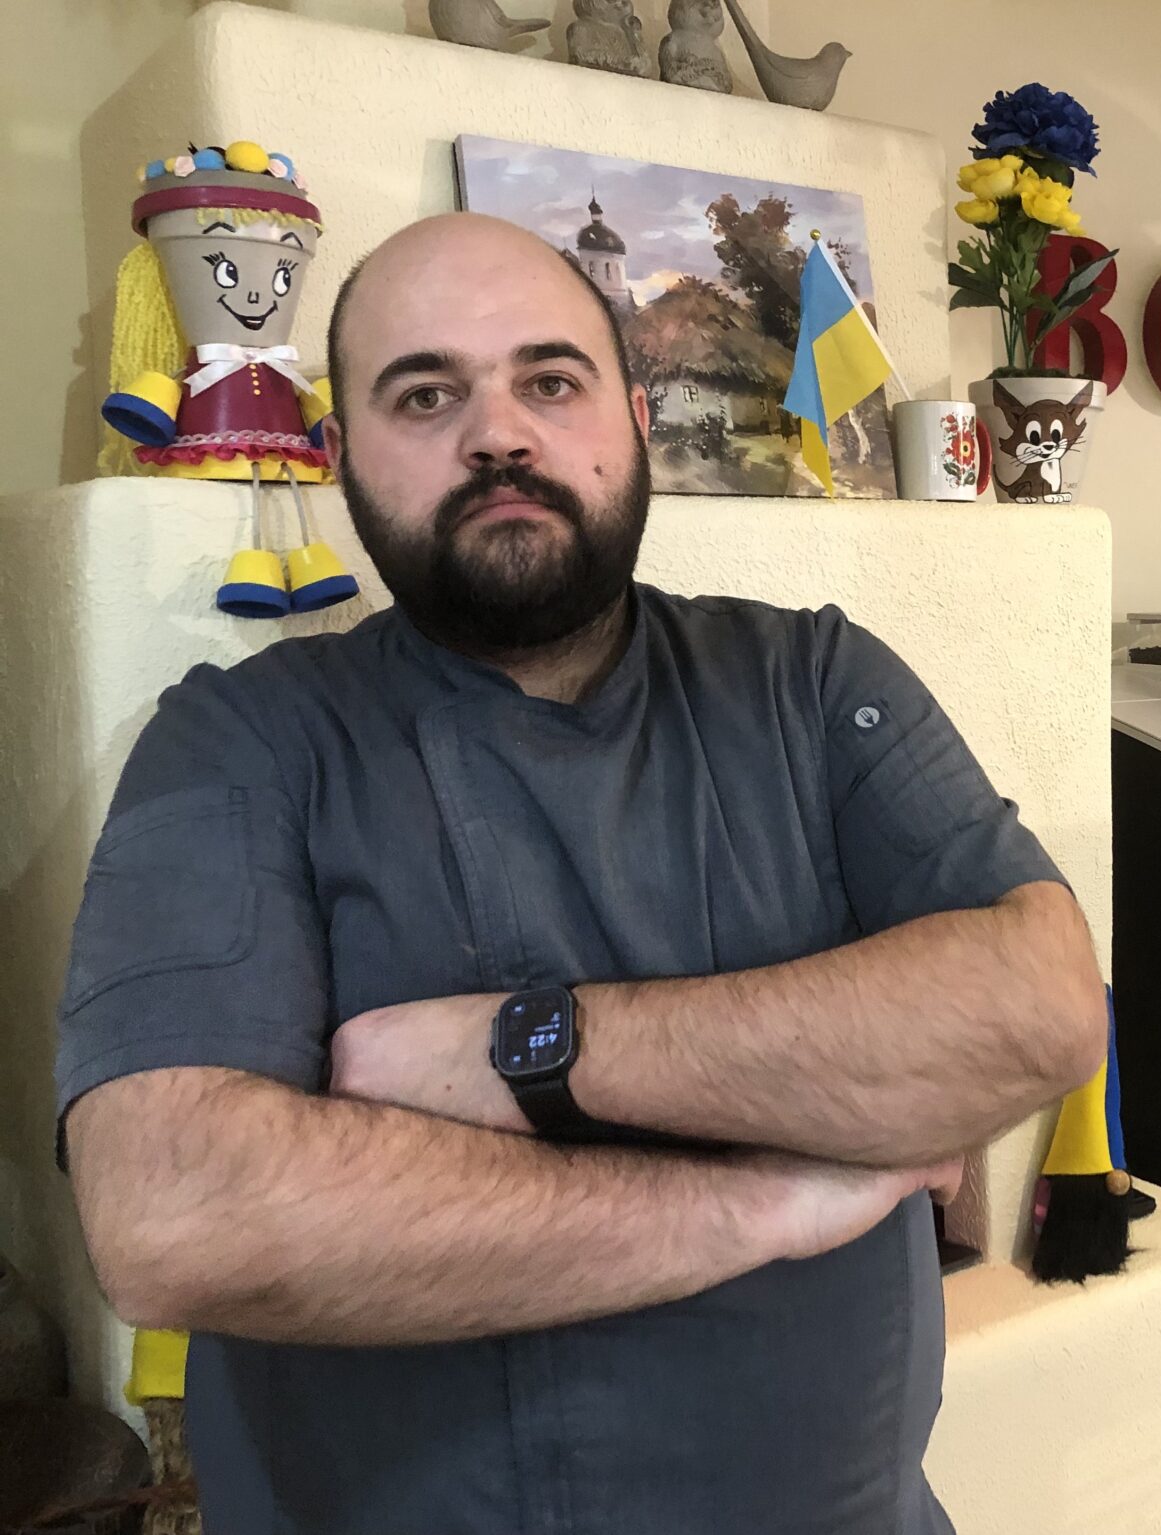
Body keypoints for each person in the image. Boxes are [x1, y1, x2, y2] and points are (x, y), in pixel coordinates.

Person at [55, 212, 1106, 1535]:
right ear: (337, 455)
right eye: (426, 393)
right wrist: (760, 1202)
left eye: (550, 382)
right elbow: (176, 1211)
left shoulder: (812, 684)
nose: (500, 434)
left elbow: (1039, 1006)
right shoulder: (240, 742)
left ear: (632, 416)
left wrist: (521, 1055)